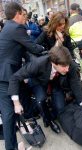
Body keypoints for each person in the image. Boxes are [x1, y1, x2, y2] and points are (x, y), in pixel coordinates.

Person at [8, 46, 82, 131]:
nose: (67, 69)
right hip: (39, 81)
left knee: (60, 108)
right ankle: (49, 121)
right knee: (41, 100)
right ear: (53, 63)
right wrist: (16, 103)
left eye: (68, 66)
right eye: (64, 66)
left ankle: (53, 109)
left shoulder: (68, 63)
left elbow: (74, 83)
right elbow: (14, 78)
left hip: (55, 82)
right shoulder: (38, 64)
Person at [0, 2, 44, 150]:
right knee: (8, 115)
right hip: (6, 76)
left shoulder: (7, 27)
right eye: (23, 14)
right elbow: (31, 46)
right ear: (17, 13)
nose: (25, 18)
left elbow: (21, 49)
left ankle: (28, 121)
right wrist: (45, 50)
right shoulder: (16, 27)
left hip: (5, 74)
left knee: (19, 102)